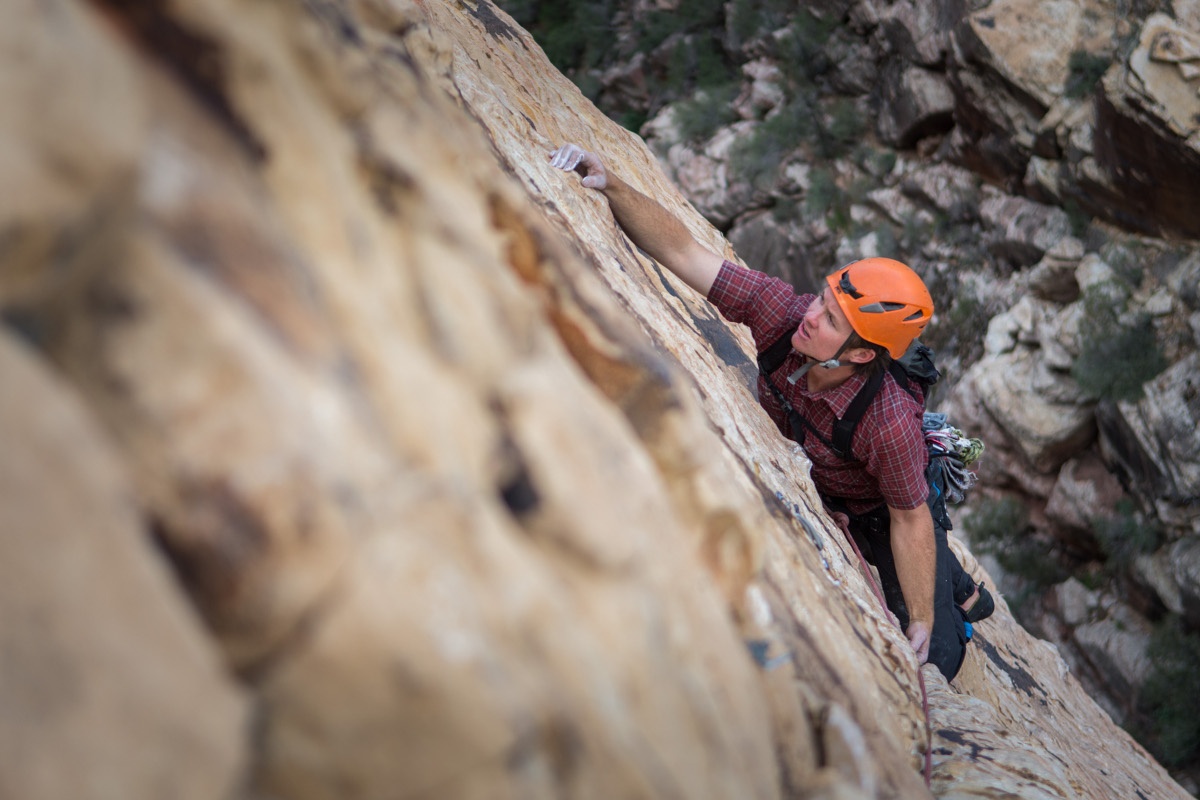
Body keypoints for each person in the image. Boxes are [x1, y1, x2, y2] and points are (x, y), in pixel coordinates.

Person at [548, 143, 992, 680]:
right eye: (821, 298)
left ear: (859, 354)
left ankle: (960, 594)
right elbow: (688, 254)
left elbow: (908, 517)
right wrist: (612, 183)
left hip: (880, 505)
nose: (809, 315)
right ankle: (957, 586)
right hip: (827, 479)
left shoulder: (888, 423)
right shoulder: (784, 314)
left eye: (829, 318)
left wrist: (921, 616)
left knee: (937, 657)